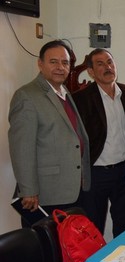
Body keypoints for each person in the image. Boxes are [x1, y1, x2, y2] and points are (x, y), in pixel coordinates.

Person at [8, 40, 91, 226]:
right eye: (53, 62)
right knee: (44, 242)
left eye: (65, 62)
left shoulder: (63, 91)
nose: (60, 67)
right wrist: (28, 190)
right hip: (45, 193)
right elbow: (21, 148)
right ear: (40, 64)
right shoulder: (27, 96)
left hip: (71, 188)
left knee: (66, 241)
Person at [72, 49, 125, 236]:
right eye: (100, 64)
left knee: (124, 226)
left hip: (124, 172)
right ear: (91, 72)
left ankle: (122, 255)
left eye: (110, 62)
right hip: (96, 173)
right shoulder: (80, 99)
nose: (108, 67)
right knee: (93, 227)